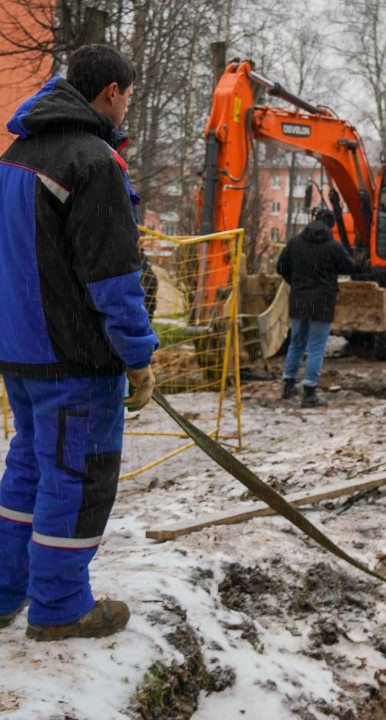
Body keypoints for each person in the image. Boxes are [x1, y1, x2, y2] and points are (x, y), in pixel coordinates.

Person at [0, 44, 158, 640]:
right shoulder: (93, 162)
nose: (127, 109)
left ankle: (3, 592)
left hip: (18, 352)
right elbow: (114, 281)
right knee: (75, 475)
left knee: (28, 471)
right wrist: (139, 356)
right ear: (112, 93)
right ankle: (62, 605)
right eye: (129, 98)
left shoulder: (15, 154)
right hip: (74, 359)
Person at [277, 208, 355, 408]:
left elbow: (280, 266)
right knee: (316, 347)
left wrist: (295, 282)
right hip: (322, 302)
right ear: (330, 225)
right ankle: (309, 393)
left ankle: (288, 384)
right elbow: (350, 267)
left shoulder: (295, 243)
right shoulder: (333, 247)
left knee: (296, 343)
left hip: (299, 300)